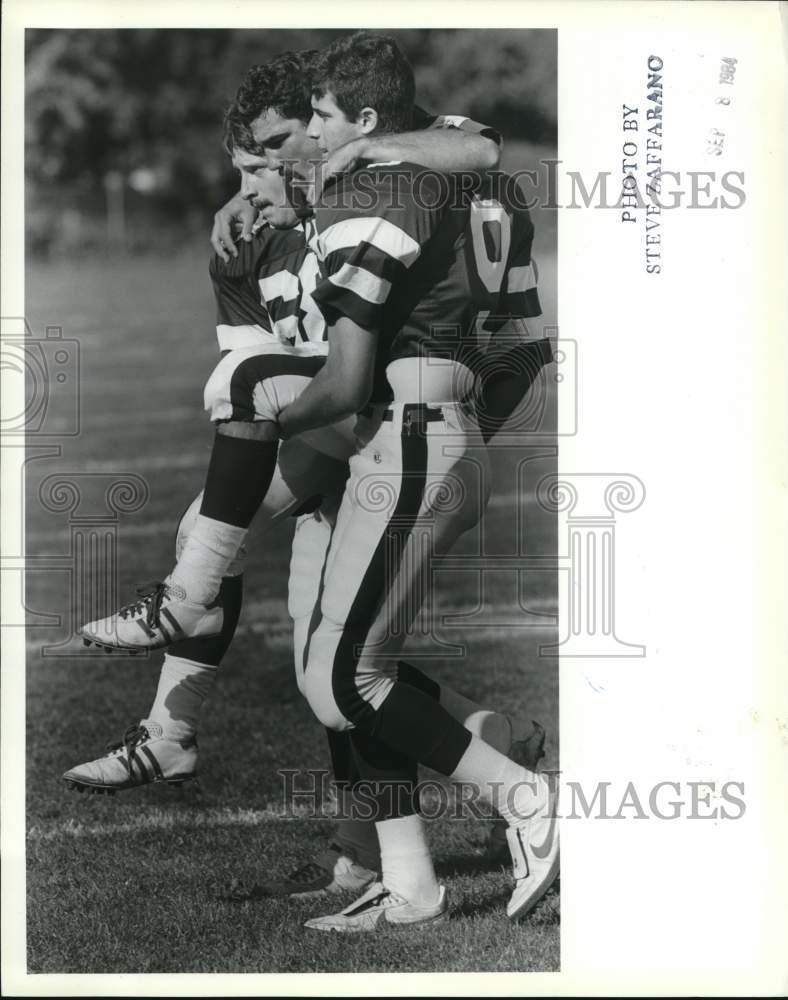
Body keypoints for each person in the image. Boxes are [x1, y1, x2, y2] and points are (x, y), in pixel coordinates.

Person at [65, 43, 548, 898]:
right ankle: (396, 861)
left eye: (284, 143)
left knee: (338, 665)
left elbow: (477, 154)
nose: (261, 177)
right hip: (361, 434)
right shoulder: (260, 230)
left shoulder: (386, 179)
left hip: (387, 425)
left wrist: (435, 437)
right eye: (245, 165)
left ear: (344, 125)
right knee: (332, 675)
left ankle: (176, 712)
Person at [259, 31, 559, 931]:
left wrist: (257, 426)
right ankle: (414, 878)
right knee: (338, 674)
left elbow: (345, 377)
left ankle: (524, 796)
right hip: (434, 435)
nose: (313, 136)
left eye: (320, 117)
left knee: (349, 679)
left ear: (367, 118)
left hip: (407, 438)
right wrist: (464, 435)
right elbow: (523, 353)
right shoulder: (484, 184)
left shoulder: (381, 187)